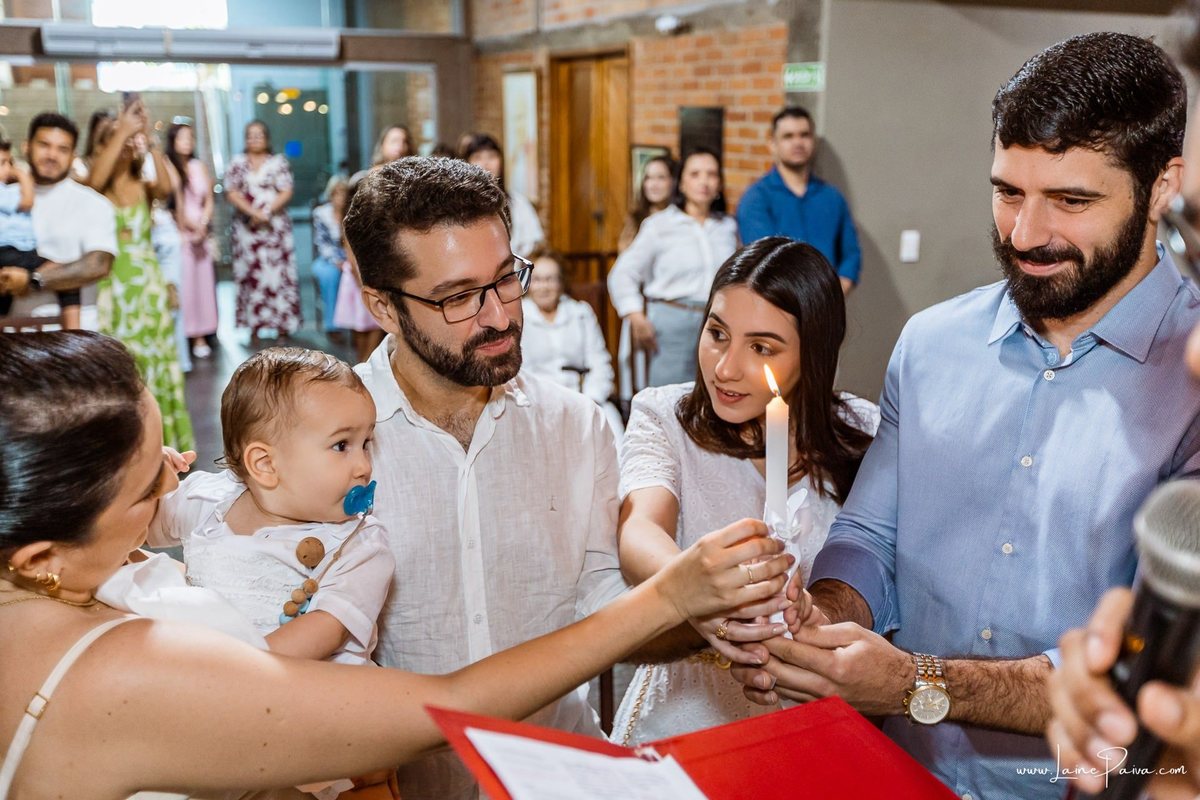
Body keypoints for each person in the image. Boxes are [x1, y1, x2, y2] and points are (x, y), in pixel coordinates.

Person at [0, 330, 791, 800]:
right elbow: (450, 705)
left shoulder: (46, 599)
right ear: (41, 556)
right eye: (150, 486)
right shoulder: (119, 673)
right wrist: (668, 597)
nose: (181, 478)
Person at [730, 32, 1200, 800]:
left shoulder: (1192, 379)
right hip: (900, 771)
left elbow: (1147, 664)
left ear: (1161, 187)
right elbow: (870, 535)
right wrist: (823, 614)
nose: (1025, 234)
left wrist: (916, 681)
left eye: (1071, 201)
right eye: (1008, 192)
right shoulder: (930, 344)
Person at [342, 156, 785, 799]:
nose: (500, 316)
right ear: (383, 306)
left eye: (506, 279)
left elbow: (603, 604)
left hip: (558, 773)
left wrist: (717, 616)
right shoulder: (324, 443)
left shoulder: (574, 424)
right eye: (459, 298)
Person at [612, 237, 877, 744]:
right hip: (685, 716)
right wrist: (707, 591)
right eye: (717, 333)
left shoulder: (864, 430)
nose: (725, 367)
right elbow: (640, 530)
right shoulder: (664, 416)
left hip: (811, 716)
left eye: (761, 348)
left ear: (814, 352)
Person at [89, 99, 194, 454]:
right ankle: (132, 447)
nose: (123, 142)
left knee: (158, 361)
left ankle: (166, 444)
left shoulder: (142, 186)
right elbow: (94, 181)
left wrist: (148, 139)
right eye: (113, 137)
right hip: (114, 287)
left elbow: (167, 187)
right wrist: (121, 131)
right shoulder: (96, 187)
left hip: (148, 285)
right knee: (124, 363)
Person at [608, 147, 739, 388]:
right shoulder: (659, 225)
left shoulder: (728, 226)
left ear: (719, 183)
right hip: (672, 323)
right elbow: (622, 273)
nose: (704, 181)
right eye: (695, 174)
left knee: (715, 390)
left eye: (711, 174)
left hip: (720, 322)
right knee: (670, 397)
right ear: (681, 183)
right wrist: (635, 316)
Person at [0, 112, 116, 331]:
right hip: (13, 333)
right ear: (26, 147)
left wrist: (32, 280)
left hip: (74, 336)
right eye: (44, 145)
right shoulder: (8, 198)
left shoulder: (93, 204)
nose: (52, 155)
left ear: (73, 156)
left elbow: (98, 265)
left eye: (63, 149)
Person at [736, 107, 862, 294]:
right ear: (772, 144)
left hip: (827, 302)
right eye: (788, 136)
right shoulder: (756, 198)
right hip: (779, 302)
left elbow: (851, 255)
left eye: (804, 135)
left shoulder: (832, 197)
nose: (798, 142)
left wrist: (833, 294)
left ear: (813, 141)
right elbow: (764, 262)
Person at [519, 246, 624, 436]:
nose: (544, 287)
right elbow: (518, 373)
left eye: (550, 279)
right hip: (537, 402)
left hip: (582, 396)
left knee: (612, 428)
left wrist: (590, 400)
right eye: (538, 280)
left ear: (561, 282)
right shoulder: (519, 317)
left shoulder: (580, 313)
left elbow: (600, 362)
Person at [225, 119, 301, 342]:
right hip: (247, 229)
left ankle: (282, 326)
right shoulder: (237, 163)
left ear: (267, 138)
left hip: (274, 229)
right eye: (250, 135)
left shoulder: (278, 162)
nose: (255, 138)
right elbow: (231, 192)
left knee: (278, 275)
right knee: (251, 274)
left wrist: (266, 212)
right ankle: (254, 326)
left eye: (259, 134)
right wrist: (253, 213)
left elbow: (286, 190)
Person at [0, 138, 79, 322]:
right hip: (12, 251)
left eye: (10, 162)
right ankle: (75, 331)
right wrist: (21, 174)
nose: (8, 169)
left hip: (13, 251)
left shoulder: (7, 190)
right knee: (65, 276)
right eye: (3, 163)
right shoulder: (4, 191)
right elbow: (28, 200)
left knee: (4, 298)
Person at [166, 120, 218, 359]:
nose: (187, 142)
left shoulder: (199, 166)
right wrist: (190, 227)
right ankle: (186, 336)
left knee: (204, 286)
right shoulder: (168, 165)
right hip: (181, 232)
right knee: (186, 286)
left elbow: (209, 200)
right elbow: (175, 204)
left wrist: (203, 224)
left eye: (190, 137)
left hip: (201, 232)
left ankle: (203, 335)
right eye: (182, 138)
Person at [461, 133, 545, 258]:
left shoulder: (518, 203)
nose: (486, 163)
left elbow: (533, 245)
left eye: (491, 156)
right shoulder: (460, 205)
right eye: (478, 157)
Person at [311, 175, 349, 339]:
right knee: (331, 276)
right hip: (327, 259)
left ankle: (357, 324)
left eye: (343, 193)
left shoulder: (352, 212)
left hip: (350, 259)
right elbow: (322, 244)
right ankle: (332, 325)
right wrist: (336, 261)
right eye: (337, 193)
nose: (340, 197)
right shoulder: (322, 214)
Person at [618, 155, 676, 253]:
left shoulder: (681, 218)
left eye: (661, 177)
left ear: (674, 181)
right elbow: (625, 255)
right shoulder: (635, 219)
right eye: (648, 178)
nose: (653, 184)